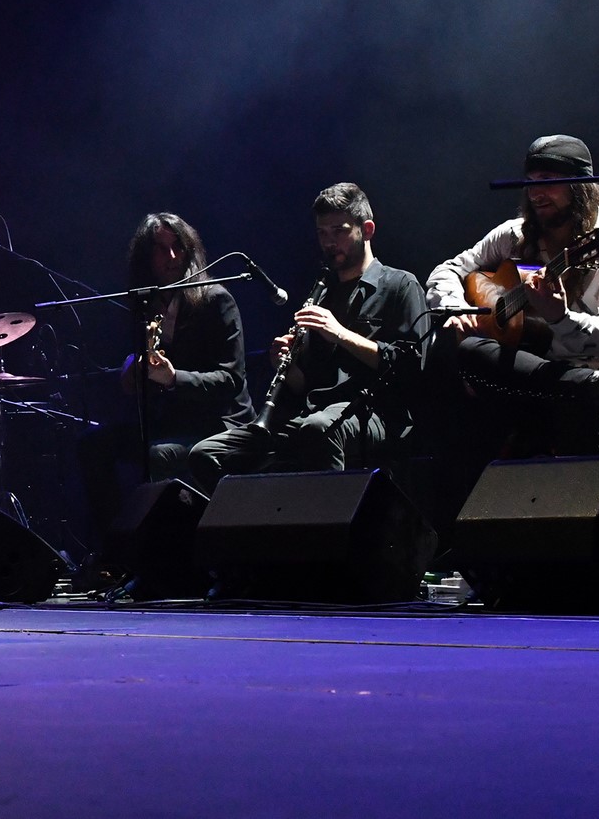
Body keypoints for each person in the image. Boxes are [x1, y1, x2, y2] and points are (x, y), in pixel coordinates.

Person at [422, 135, 599, 457]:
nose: (536, 194)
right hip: (544, 371)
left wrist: (560, 318)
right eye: (530, 182)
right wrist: (456, 307)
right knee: (465, 352)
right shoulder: (514, 234)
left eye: (547, 181)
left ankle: (589, 386)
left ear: (580, 186)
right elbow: (448, 269)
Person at [187, 184, 427, 492]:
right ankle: (257, 516)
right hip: (313, 413)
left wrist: (340, 334)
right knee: (205, 454)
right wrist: (287, 368)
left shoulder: (400, 285)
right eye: (322, 233)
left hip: (375, 413)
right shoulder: (322, 293)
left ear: (367, 230)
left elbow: (411, 366)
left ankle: (330, 522)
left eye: (339, 231)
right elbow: (308, 385)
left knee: (319, 430)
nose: (328, 242)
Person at [79, 213, 254, 552]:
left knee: (158, 455)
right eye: (161, 249)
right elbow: (138, 367)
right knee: (92, 444)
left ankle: (169, 555)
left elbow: (231, 380)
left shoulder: (216, 300)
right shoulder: (144, 304)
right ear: (146, 256)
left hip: (219, 424)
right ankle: (115, 551)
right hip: (171, 422)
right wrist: (132, 371)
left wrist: (174, 379)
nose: (171, 257)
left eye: (177, 247)